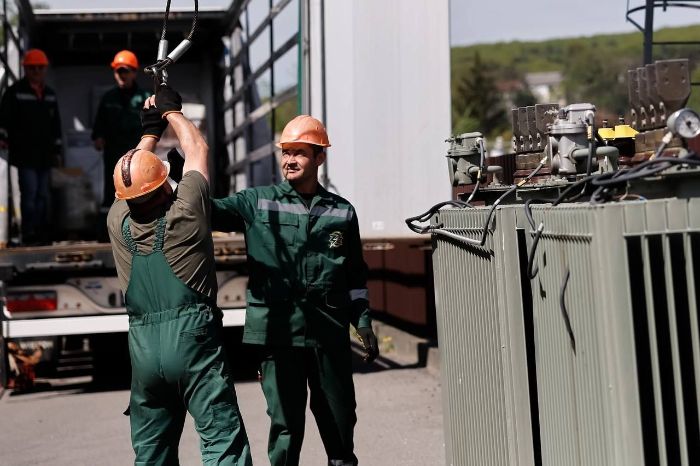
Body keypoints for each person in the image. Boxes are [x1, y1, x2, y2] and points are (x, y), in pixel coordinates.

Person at [211, 115, 380, 466]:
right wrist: (189, 178)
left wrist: (362, 322)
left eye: (299, 153)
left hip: (328, 335)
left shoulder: (341, 212)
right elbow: (206, 211)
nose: (289, 160)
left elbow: (354, 275)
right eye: (285, 152)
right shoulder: (257, 202)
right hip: (279, 336)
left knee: (340, 423)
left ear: (319, 157)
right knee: (286, 429)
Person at [106, 84, 251, 465]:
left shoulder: (116, 219)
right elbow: (198, 151)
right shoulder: (186, 213)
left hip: (143, 350)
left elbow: (131, 177)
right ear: (164, 188)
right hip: (192, 343)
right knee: (222, 442)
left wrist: (148, 131)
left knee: (151, 452)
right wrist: (172, 113)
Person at [0, 48, 62, 244]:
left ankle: (41, 232)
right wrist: (4, 138)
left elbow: (56, 126)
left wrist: (58, 150)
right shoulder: (15, 93)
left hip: (45, 155)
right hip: (25, 155)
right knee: (30, 195)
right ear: (25, 69)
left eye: (40, 68)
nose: (36, 71)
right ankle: (28, 233)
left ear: (45, 70)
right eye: (32, 68)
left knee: (43, 195)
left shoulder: (50, 95)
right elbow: (3, 121)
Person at [92, 50, 152, 207]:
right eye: (118, 71)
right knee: (112, 188)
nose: (121, 75)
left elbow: (153, 123)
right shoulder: (108, 98)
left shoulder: (145, 97)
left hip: (137, 153)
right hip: (113, 152)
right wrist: (98, 137)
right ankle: (109, 224)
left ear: (134, 72)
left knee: (137, 186)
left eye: (125, 71)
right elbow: (99, 122)